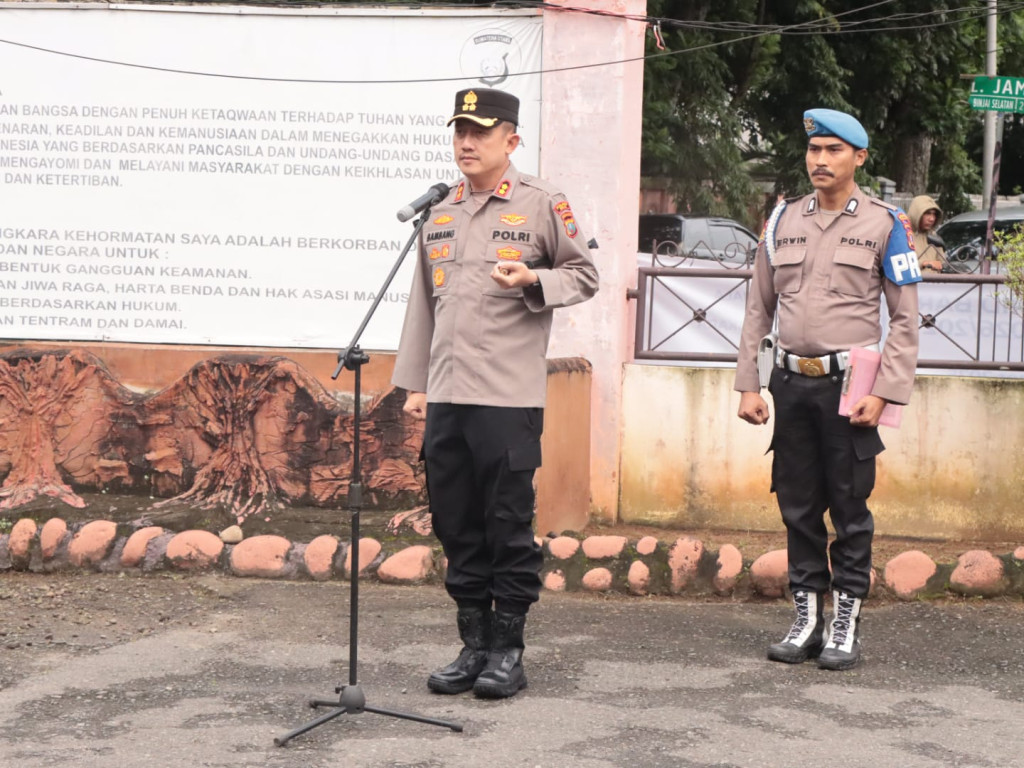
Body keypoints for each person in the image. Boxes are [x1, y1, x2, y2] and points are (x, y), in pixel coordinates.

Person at [392, 87, 599, 699]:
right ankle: (472, 645)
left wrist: (534, 276)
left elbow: (585, 274)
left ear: (510, 140)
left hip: (508, 399)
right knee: (456, 525)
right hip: (448, 395)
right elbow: (422, 307)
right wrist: (415, 387)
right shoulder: (442, 211)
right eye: (460, 131)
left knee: (505, 525)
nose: (466, 142)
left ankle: (508, 651)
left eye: (480, 132)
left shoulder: (542, 204)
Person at [734, 108, 922, 671]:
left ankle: (845, 619)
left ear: (859, 158)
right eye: (814, 150)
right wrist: (749, 384)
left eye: (834, 151)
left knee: (848, 505)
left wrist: (886, 392)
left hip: (851, 387)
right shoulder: (781, 220)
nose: (820, 160)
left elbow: (906, 320)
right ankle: (806, 616)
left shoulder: (886, 224)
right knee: (796, 505)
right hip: (791, 383)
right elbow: (758, 307)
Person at [908, 194, 946, 272]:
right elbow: (896, 266)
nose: (932, 219)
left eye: (934, 214)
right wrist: (923, 263)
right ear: (916, 213)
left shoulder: (933, 237)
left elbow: (943, 264)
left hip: (935, 283)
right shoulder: (903, 236)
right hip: (914, 283)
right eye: (927, 213)